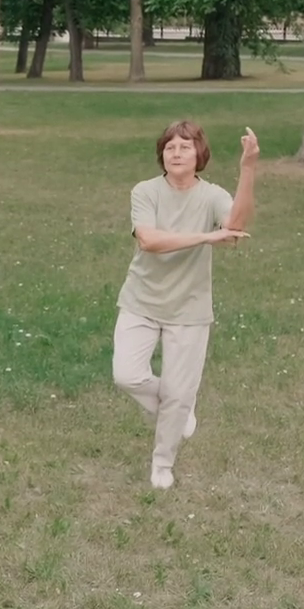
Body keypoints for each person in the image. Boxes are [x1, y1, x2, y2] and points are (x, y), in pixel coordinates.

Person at [113, 121, 257, 490]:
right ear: (162, 154)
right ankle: (177, 407)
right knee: (127, 375)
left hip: (190, 309)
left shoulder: (212, 196)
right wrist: (207, 237)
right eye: (170, 147)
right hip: (141, 299)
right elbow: (149, 241)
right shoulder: (146, 191)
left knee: (180, 394)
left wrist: (247, 169)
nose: (176, 153)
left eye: (185, 147)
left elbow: (236, 224)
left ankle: (163, 463)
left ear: (199, 155)